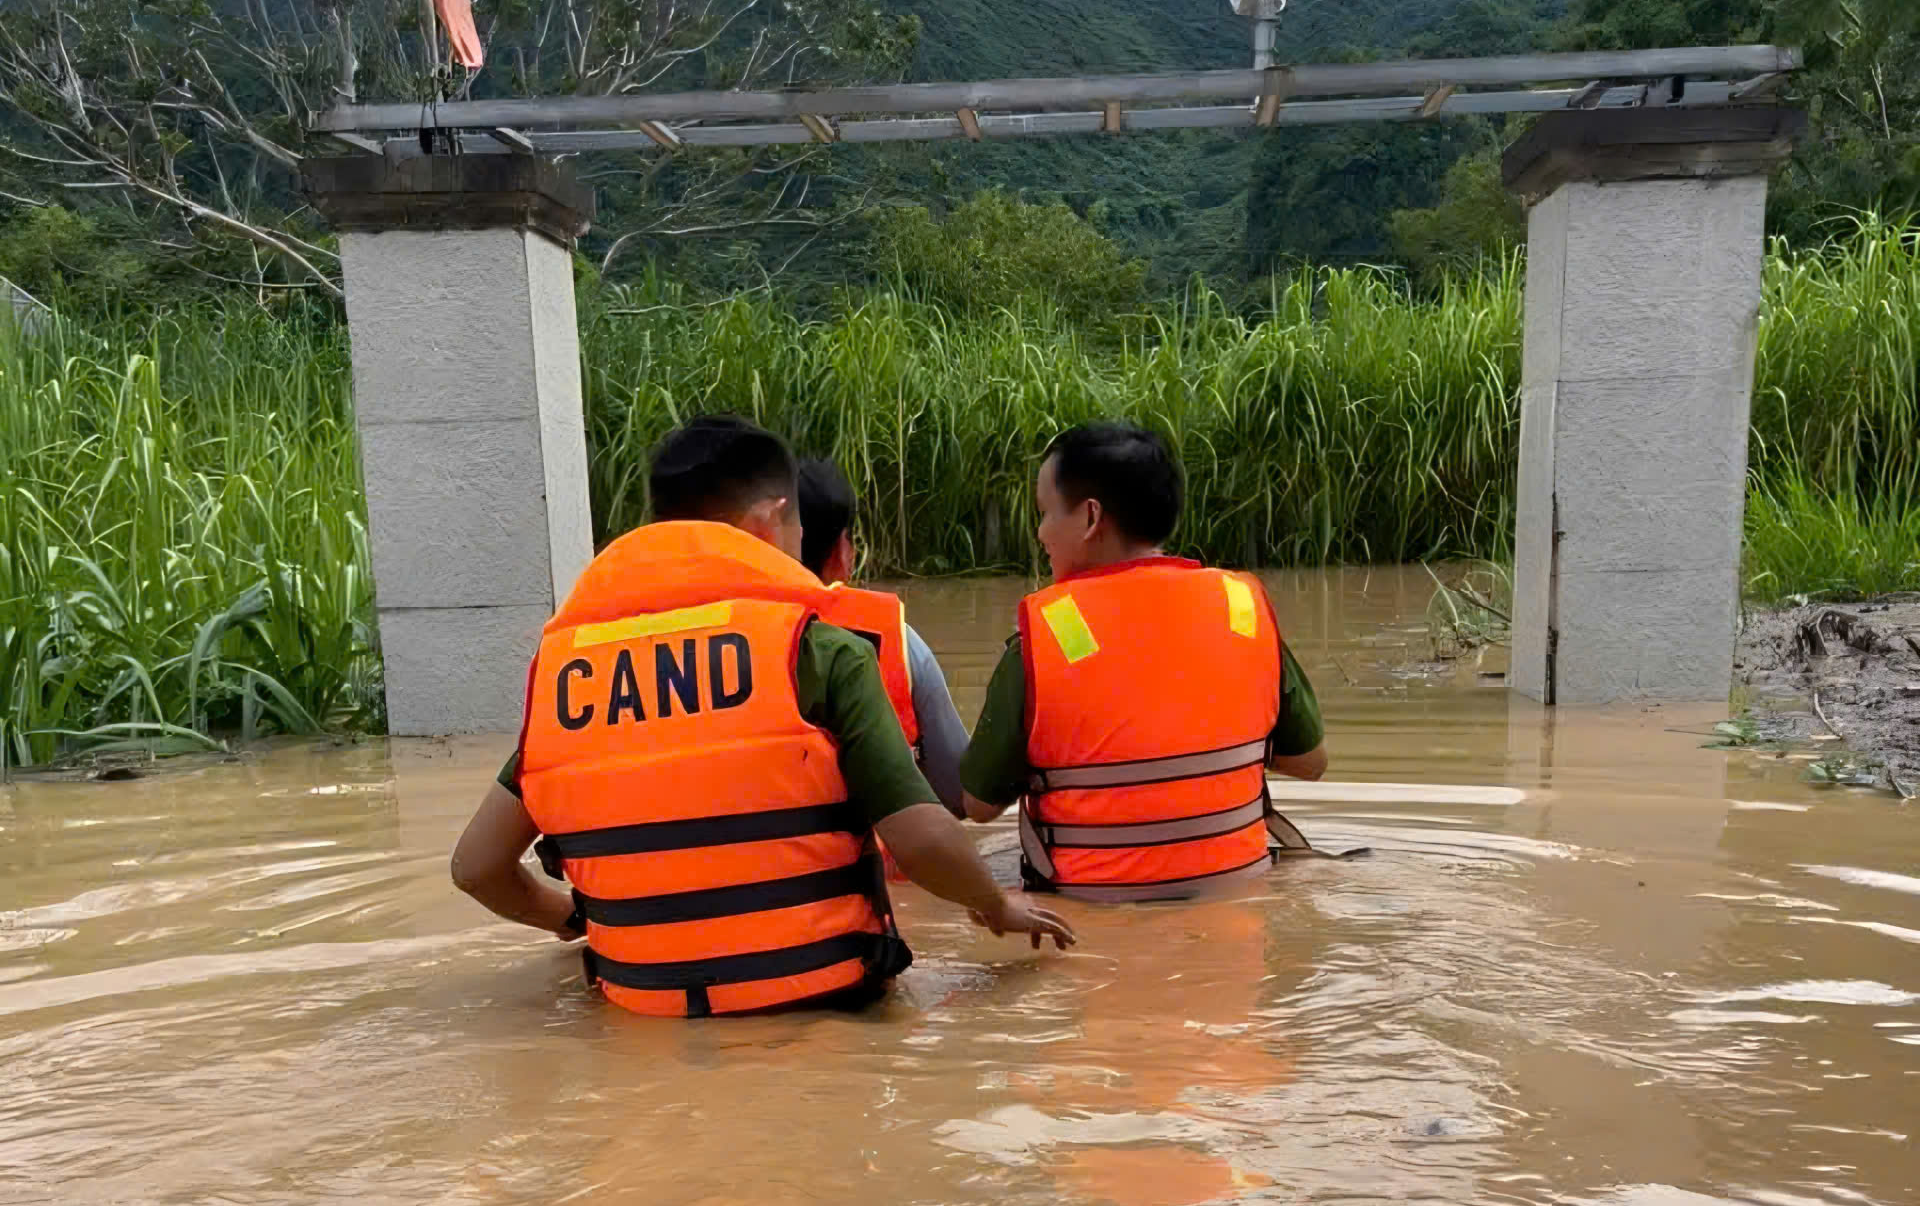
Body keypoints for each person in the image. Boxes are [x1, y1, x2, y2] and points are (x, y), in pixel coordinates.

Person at [451, 415, 1074, 1016]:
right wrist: (995, 906)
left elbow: (477, 868)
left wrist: (570, 919)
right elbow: (923, 840)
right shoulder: (818, 650)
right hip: (823, 1011)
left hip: (643, 1017)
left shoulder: (565, 676)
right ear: (771, 521)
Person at [959, 422, 1330, 901]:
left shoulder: (1048, 633)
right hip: (1239, 909)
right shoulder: (1241, 609)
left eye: (1045, 512)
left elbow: (979, 804)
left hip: (1091, 917)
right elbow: (1310, 762)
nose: (1040, 532)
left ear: (1090, 517)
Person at [794, 456, 970, 817]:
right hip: (881, 852)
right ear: (842, 551)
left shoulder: (710, 643)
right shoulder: (899, 640)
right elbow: (960, 793)